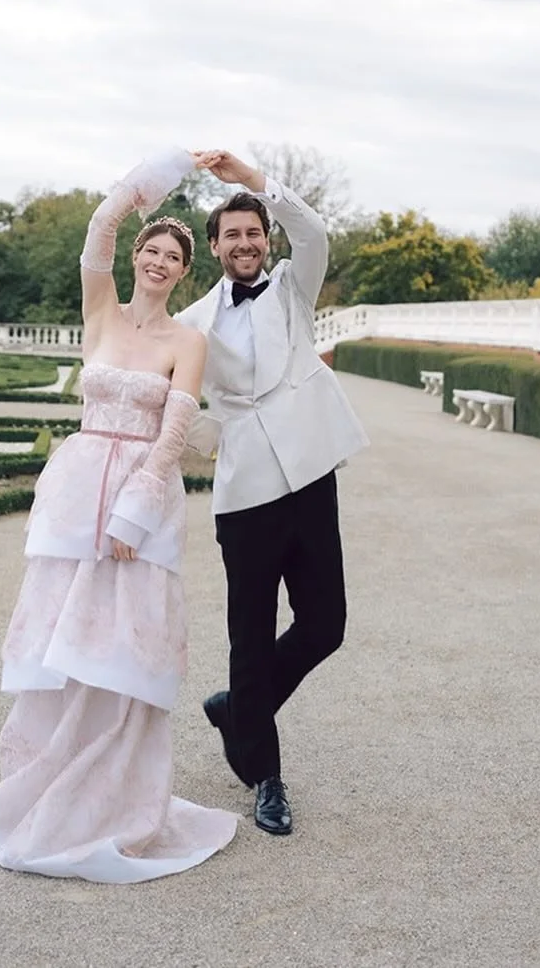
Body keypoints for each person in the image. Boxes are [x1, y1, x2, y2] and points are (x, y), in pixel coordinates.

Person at [0, 148, 237, 883]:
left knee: (122, 645)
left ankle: (114, 791)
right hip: (73, 488)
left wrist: (134, 515)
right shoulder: (101, 312)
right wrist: (163, 172)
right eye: (149, 249)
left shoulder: (189, 341)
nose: (156, 261)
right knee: (61, 635)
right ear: (136, 257)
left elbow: (174, 437)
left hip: (137, 501)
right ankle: (45, 777)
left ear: (186, 271)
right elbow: (98, 226)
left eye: (171, 255)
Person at [176, 149, 369, 837]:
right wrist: (199, 434)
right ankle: (266, 777)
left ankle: (240, 708)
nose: (246, 244)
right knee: (249, 639)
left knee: (327, 624)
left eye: (254, 232)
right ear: (216, 248)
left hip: (311, 477)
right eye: (233, 235)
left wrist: (254, 182)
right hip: (245, 495)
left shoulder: (293, 286)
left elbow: (313, 231)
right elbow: (180, 400)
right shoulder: (195, 321)